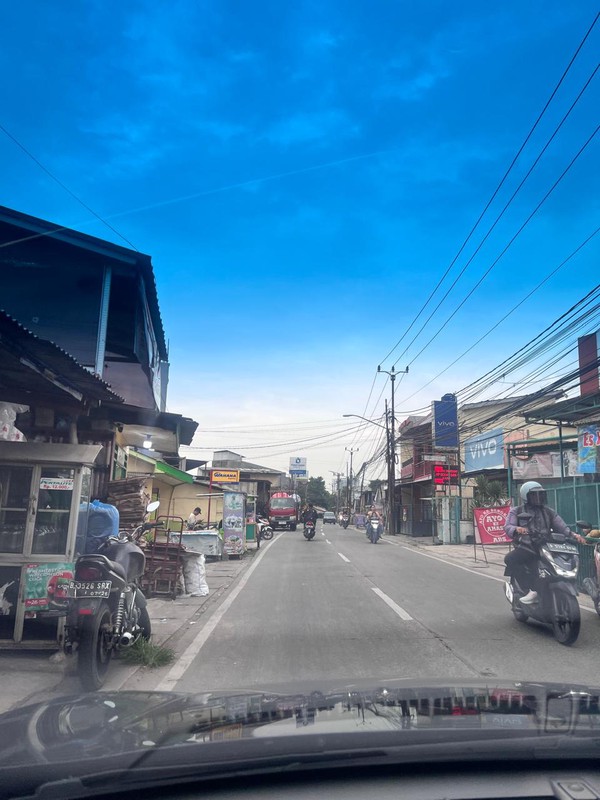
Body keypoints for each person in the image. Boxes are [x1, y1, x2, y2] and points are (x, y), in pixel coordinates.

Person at [504, 481, 585, 604]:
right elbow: (508, 526)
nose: (538, 498)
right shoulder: (517, 511)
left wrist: (574, 535)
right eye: (534, 495)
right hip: (527, 547)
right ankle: (530, 589)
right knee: (510, 559)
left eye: (541, 495)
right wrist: (517, 529)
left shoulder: (549, 512)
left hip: (547, 546)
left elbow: (562, 527)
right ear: (526, 497)